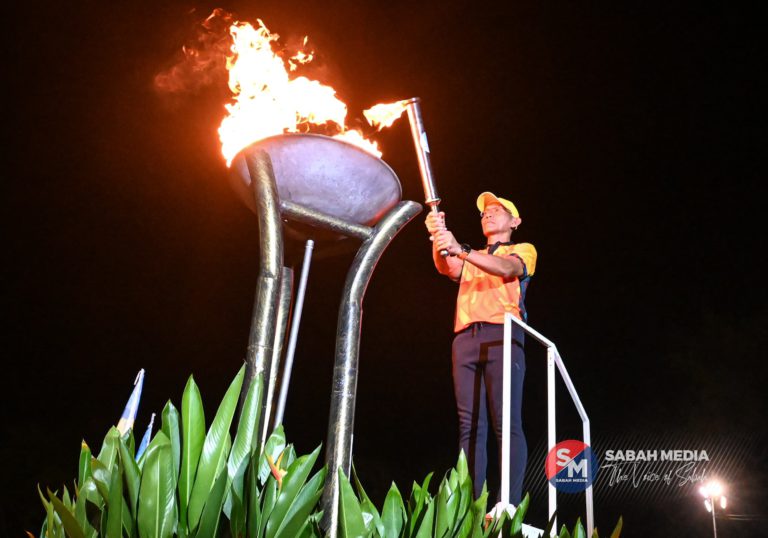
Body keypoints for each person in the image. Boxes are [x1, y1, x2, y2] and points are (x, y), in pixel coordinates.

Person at [425, 191, 537, 505]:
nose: (487, 214)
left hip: (502, 335)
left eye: (496, 210)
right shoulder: (471, 256)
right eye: (484, 212)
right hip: (465, 338)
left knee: (506, 422)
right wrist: (439, 238)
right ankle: (470, 505)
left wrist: (460, 248)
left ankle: (508, 504)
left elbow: (507, 269)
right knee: (469, 426)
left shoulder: (522, 249)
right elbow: (448, 268)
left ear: (514, 221)